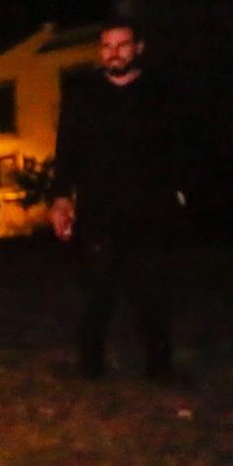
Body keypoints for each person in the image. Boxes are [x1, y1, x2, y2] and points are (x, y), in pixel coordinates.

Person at [49, 19, 184, 383]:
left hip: (150, 208)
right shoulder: (83, 94)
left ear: (138, 47)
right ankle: (90, 366)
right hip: (98, 210)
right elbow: (66, 150)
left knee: (152, 290)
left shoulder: (159, 92)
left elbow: (178, 146)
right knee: (97, 290)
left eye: (122, 45)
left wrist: (179, 190)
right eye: (107, 46)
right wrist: (61, 197)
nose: (114, 53)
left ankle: (159, 366)